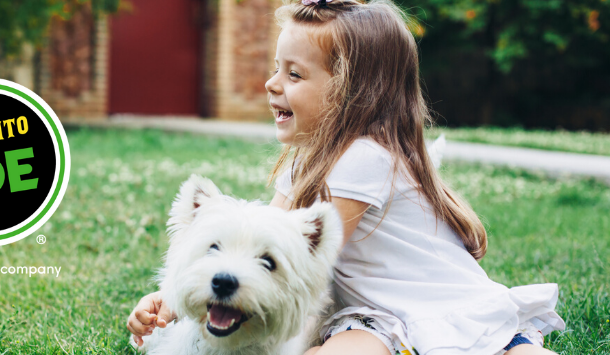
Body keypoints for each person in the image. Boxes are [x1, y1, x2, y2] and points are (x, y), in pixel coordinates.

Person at [127, 0, 566, 354]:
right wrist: (170, 303)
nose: (271, 83)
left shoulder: (365, 158)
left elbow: (303, 272)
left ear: (352, 91)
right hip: (376, 318)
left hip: (443, 309)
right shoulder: (306, 161)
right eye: (277, 67)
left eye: (294, 74)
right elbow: (260, 242)